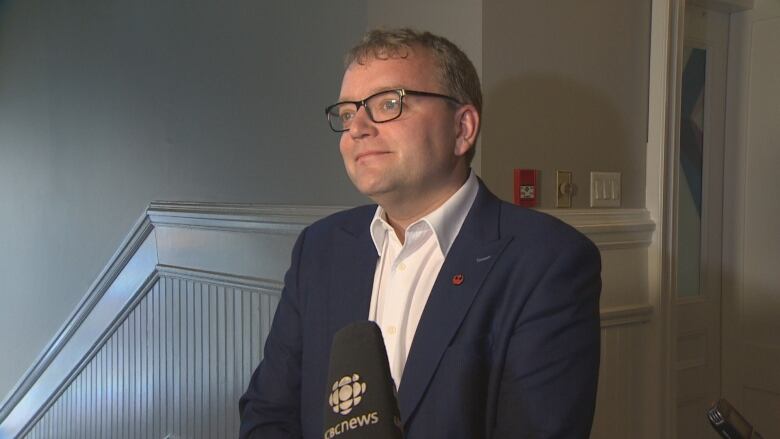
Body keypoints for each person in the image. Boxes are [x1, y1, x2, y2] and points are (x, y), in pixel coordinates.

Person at [239, 28, 601, 439]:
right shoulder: (319, 249)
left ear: (462, 128)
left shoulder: (549, 261)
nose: (356, 127)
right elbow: (268, 412)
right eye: (346, 113)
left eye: (388, 104)